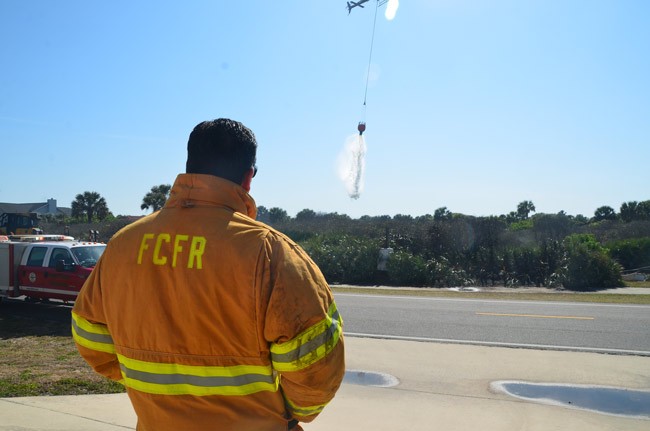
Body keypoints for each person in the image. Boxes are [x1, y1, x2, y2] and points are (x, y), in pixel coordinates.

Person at [71, 118, 345, 431]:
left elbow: (89, 334)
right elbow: (316, 367)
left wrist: (150, 386)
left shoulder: (122, 245)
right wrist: (287, 412)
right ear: (248, 178)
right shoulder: (271, 253)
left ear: (190, 169)